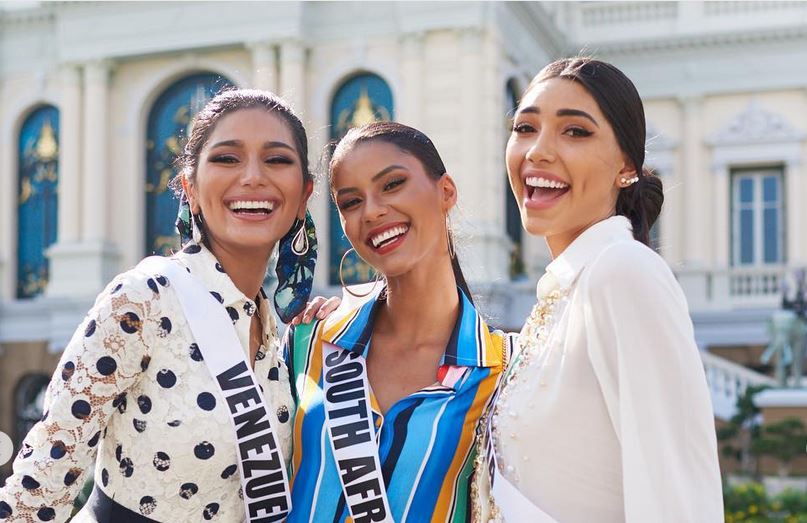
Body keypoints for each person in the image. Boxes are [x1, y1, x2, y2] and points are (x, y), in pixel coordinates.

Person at [0, 89, 319, 522]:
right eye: (227, 158)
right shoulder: (144, 299)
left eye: (277, 160)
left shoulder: (275, 335)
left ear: (304, 194)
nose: (253, 177)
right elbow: (41, 482)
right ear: (189, 186)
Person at [478, 57, 723, 522]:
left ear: (627, 166)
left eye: (575, 132)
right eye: (525, 128)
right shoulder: (560, 296)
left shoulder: (623, 272)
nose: (538, 152)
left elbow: (678, 497)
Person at [283, 122, 513, 522]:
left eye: (392, 185)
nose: (372, 211)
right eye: (351, 202)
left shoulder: (503, 373)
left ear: (446, 192)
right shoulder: (308, 341)